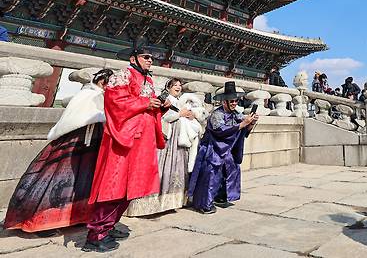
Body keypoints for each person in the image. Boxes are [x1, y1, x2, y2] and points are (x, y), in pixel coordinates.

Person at [4, 69, 113, 233]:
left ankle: (77, 216)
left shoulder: (101, 96)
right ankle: (40, 218)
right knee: (57, 178)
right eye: (109, 82)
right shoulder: (88, 94)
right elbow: (79, 116)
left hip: (92, 143)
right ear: (101, 81)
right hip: (74, 141)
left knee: (83, 181)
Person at [83, 39, 165, 253]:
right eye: (146, 56)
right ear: (133, 58)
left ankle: (108, 226)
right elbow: (115, 102)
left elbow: (148, 104)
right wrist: (145, 103)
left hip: (141, 142)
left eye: (151, 57)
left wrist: (159, 106)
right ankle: (96, 234)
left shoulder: (148, 80)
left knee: (131, 186)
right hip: (125, 140)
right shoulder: (124, 75)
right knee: (115, 184)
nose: (150, 60)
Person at [125, 78, 207, 216]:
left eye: (180, 85)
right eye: (175, 85)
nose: (178, 87)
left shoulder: (181, 102)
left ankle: (171, 202)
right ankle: (150, 203)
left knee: (176, 168)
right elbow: (162, 117)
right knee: (161, 168)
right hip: (167, 139)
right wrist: (180, 114)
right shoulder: (165, 99)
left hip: (178, 140)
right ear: (168, 87)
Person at [188, 81, 258, 214]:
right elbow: (221, 131)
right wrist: (243, 124)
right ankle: (204, 204)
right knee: (211, 175)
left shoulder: (236, 113)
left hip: (226, 150)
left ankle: (221, 197)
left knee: (231, 169)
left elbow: (242, 130)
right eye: (231, 101)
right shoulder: (216, 114)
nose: (234, 104)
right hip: (212, 148)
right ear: (224, 102)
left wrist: (250, 124)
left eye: (236, 101)